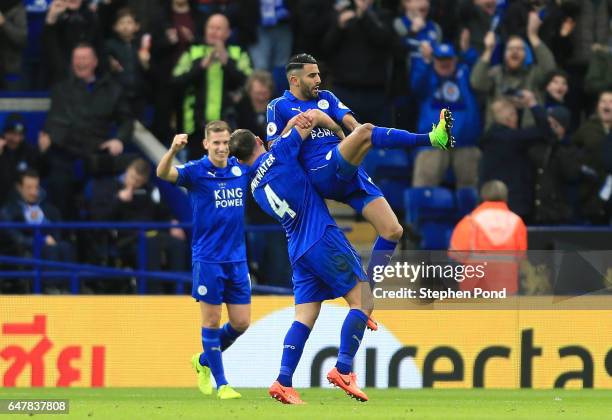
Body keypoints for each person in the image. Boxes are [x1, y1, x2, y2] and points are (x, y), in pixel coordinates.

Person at [266, 53, 453, 285]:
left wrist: (336, 127)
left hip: (347, 167)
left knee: (393, 230)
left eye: (319, 74)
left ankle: (368, 292)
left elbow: (354, 127)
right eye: (312, 75)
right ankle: (432, 138)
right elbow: (274, 151)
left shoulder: (327, 97)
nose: (318, 80)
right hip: (321, 170)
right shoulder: (279, 106)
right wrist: (291, 125)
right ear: (294, 80)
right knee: (365, 132)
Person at [229, 109, 374, 405]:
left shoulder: (254, 186)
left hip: (297, 248)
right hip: (320, 236)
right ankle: (343, 369)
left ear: (239, 160)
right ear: (259, 139)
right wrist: (330, 126)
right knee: (364, 300)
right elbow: (307, 120)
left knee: (305, 316)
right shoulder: (280, 152)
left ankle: (283, 380)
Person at [156, 120, 249, 400]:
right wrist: (172, 149)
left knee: (241, 323)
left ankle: (203, 360)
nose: (221, 148)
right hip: (208, 259)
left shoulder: (239, 169)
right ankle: (222, 384)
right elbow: (162, 173)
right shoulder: (196, 172)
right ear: (206, 144)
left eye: (225, 143)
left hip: (237, 259)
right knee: (211, 321)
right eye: (216, 143)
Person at [40, 42, 134, 219]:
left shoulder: (111, 89)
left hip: (96, 155)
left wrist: (119, 139)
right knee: (57, 183)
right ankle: (64, 236)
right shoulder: (61, 89)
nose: (80, 62)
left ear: (95, 62)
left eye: (84, 58)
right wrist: (47, 137)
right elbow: (53, 120)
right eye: (77, 58)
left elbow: (127, 120)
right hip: (64, 155)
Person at [171, 13, 252, 159]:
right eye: (211, 27)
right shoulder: (192, 52)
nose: (214, 32)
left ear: (228, 33)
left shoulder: (238, 53)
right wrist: (201, 66)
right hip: (195, 128)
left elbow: (248, 82)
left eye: (219, 28)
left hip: (230, 129)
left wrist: (226, 61)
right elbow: (176, 81)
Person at [411, 42, 481, 188]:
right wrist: (425, 61)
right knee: (424, 189)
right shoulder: (427, 75)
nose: (444, 63)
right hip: (432, 142)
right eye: (440, 59)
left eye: (448, 59)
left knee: (470, 193)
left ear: (455, 59)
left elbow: (480, 74)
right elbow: (415, 87)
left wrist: (467, 52)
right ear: (434, 60)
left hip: (465, 142)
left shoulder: (465, 74)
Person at [1, 170, 76, 293]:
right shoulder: (8, 211)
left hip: (48, 245)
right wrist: (41, 241)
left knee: (65, 247)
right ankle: (51, 289)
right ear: (19, 188)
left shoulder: (46, 208)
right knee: (48, 249)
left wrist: (52, 237)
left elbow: (56, 229)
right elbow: (17, 238)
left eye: (36, 187)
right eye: (28, 187)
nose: (33, 192)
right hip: (24, 250)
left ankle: (69, 288)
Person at [479, 90, 548, 222]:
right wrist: (532, 104)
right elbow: (545, 131)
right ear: (510, 117)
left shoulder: (491, 137)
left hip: (493, 202)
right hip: (515, 205)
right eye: (515, 113)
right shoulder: (512, 138)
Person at [449, 180, 527, 295]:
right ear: (506, 197)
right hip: (506, 287)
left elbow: (456, 254)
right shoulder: (517, 222)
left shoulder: (470, 221)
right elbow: (521, 256)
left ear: (482, 196)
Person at [0, 114, 42, 206]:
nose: (16, 139)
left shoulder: (28, 151)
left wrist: (44, 153)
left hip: (23, 204)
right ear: (5, 133)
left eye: (20, 135)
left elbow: (41, 173)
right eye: (13, 134)